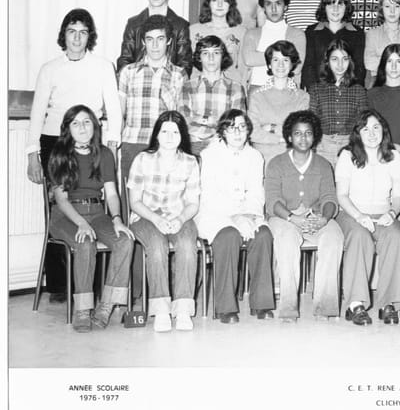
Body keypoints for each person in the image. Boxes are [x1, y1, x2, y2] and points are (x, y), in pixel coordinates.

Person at [27, 9, 123, 303]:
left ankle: (91, 286)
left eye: (83, 32)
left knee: (94, 206)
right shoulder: (50, 68)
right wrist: (32, 153)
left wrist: (112, 143)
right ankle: (59, 285)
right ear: (64, 35)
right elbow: (37, 111)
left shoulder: (102, 66)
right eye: (72, 31)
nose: (77, 38)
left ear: (89, 36)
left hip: (89, 138)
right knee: (59, 209)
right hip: (55, 141)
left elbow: (113, 107)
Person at [46, 105, 134, 332]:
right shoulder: (59, 154)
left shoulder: (104, 154)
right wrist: (81, 223)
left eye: (86, 122)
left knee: (125, 240)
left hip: (96, 212)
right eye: (75, 123)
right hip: (66, 215)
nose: (82, 127)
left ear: (94, 126)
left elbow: (111, 194)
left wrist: (117, 219)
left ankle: (106, 305)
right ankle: (83, 309)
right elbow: (61, 200)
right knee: (85, 242)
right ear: (68, 128)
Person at [194, 109, 275, 323]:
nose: (237, 132)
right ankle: (225, 307)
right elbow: (209, 195)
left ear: (248, 130)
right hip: (215, 214)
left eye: (242, 127)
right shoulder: (209, 155)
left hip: (248, 213)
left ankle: (262, 303)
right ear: (223, 131)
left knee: (263, 235)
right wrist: (235, 216)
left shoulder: (255, 156)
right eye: (231, 128)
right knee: (228, 235)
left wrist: (248, 214)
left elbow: (257, 193)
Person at [265, 110, 343, 321]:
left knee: (334, 237)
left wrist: (324, 218)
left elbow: (329, 198)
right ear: (289, 137)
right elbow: (272, 200)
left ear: (314, 136)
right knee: (287, 239)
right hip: (284, 218)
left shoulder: (323, 165)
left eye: (308, 133)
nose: (303, 138)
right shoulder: (276, 163)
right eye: (297, 133)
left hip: (316, 217)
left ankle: (325, 307)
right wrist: (292, 218)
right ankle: (288, 309)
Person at [127, 111, 200, 332]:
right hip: (146, 216)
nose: (169, 137)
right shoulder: (142, 159)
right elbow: (134, 202)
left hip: (179, 216)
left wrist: (180, 219)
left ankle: (183, 310)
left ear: (182, 135)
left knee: (187, 246)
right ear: (156, 134)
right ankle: (161, 311)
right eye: (164, 131)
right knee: (157, 247)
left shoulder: (190, 162)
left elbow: (193, 203)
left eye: (175, 132)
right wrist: (155, 218)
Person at [335, 110, 400, 326]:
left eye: (376, 127)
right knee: (360, 237)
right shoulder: (347, 156)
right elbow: (341, 195)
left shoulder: (394, 157)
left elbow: (398, 196)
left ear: (383, 130)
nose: (372, 133)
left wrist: (392, 213)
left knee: (396, 237)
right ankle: (355, 304)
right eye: (365, 129)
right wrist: (359, 216)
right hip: (352, 214)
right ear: (358, 133)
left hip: (384, 214)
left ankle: (388, 304)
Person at [118, 15, 188, 181]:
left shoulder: (179, 74)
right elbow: (119, 113)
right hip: (133, 143)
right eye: (150, 39)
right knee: (131, 194)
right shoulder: (128, 72)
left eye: (160, 39)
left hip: (164, 146)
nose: (155, 45)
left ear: (169, 41)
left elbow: (181, 117)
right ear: (143, 42)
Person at [180, 35, 246, 155]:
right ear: (199, 57)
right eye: (205, 53)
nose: (211, 58)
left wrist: (200, 119)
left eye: (216, 53)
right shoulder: (187, 86)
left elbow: (236, 124)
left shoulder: (236, 88)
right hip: (193, 145)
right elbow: (184, 121)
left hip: (223, 146)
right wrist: (214, 121)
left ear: (222, 56)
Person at [117, 0, 192, 75]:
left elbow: (184, 63)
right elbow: (125, 59)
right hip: (138, 81)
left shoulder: (180, 25)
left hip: (170, 82)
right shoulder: (133, 24)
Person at [247, 40, 310, 164]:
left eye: (285, 60)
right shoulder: (256, 95)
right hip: (262, 158)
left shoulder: (302, 97)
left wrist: (270, 127)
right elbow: (252, 132)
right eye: (276, 60)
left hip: (292, 159)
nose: (280, 65)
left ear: (292, 64)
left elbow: (299, 133)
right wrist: (282, 138)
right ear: (269, 65)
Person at [308, 40, 368, 166]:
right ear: (327, 61)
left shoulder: (359, 90)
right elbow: (312, 123)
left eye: (344, 59)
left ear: (350, 61)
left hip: (350, 147)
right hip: (322, 147)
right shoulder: (316, 89)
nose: (340, 64)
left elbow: (362, 124)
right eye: (335, 59)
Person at [239, 0, 306, 89]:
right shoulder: (251, 33)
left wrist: (259, 56)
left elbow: (297, 67)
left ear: (285, 6)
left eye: (278, 3)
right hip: (256, 88)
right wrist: (285, 57)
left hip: (285, 90)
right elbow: (249, 59)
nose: (274, 9)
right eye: (268, 4)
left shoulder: (297, 34)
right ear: (263, 7)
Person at [301, 0, 365, 89]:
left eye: (340, 4)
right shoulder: (312, 32)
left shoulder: (357, 33)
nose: (335, 9)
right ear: (324, 7)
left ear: (346, 7)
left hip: (348, 90)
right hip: (319, 90)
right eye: (331, 4)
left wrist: (352, 90)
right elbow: (309, 66)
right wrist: (314, 91)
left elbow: (359, 67)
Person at [188, 0, 246, 83]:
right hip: (198, 85)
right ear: (208, 3)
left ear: (230, 4)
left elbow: (243, 67)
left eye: (225, 0)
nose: (220, 4)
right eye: (214, 0)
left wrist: (242, 87)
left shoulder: (241, 32)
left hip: (231, 85)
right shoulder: (193, 30)